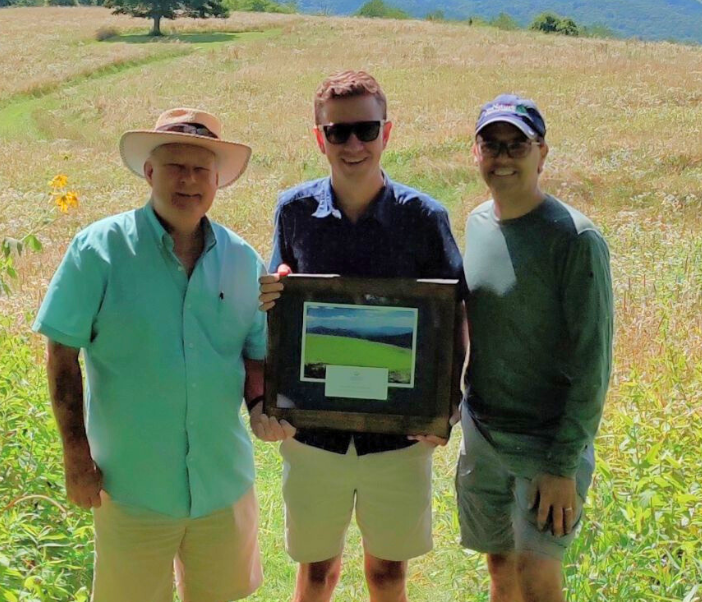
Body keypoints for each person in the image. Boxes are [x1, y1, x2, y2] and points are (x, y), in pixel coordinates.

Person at [33, 108, 269, 602]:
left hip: (222, 482)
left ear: (218, 179)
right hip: (131, 485)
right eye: (175, 167)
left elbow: (255, 357)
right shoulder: (98, 250)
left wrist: (268, 409)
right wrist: (76, 455)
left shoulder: (243, 260)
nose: (188, 180)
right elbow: (61, 355)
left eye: (201, 169)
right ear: (149, 173)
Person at [255, 70, 464, 602]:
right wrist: (275, 293)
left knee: (389, 573)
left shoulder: (424, 217)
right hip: (314, 431)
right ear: (318, 137)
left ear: (387, 134)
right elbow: (278, 299)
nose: (353, 144)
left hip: (398, 436)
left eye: (366, 130)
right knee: (317, 571)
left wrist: (447, 407)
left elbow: (453, 317)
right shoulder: (294, 211)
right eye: (338, 132)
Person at [457, 95, 614, 602]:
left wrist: (563, 464)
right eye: (492, 145)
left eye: (517, 145)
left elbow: (594, 361)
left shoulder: (575, 238)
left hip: (547, 445)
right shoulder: (478, 223)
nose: (503, 158)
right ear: (475, 152)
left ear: (542, 153)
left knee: (538, 579)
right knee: (501, 569)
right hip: (484, 434)